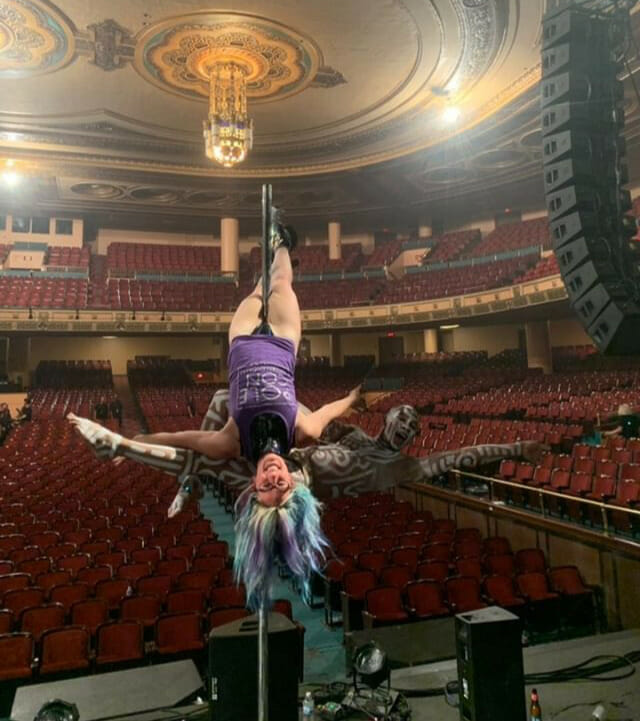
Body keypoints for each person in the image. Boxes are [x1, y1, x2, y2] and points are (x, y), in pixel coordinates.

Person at [69, 217, 368, 604]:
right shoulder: (302, 433)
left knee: (260, 288)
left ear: (254, 487)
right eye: (281, 485)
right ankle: (283, 246)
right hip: (283, 342)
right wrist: (353, 398)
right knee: (281, 284)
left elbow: (183, 439)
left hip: (242, 342)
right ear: (293, 484)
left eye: (265, 487)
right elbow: (329, 409)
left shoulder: (232, 443)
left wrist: (131, 440)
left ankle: (272, 252)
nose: (273, 477)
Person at [69, 387, 545, 606]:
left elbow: (462, 455)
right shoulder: (360, 439)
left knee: (210, 434)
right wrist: (349, 402)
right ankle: (180, 481)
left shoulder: (402, 466)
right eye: (399, 419)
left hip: (302, 472)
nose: (403, 426)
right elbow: (318, 421)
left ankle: (156, 466)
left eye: (409, 427)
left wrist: (518, 449)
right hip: (298, 459)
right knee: (217, 407)